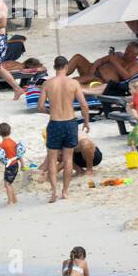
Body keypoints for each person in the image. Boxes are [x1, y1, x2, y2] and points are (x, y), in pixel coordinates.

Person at [37, 56, 92, 203]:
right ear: (67, 67)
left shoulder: (47, 84)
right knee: (68, 159)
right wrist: (86, 122)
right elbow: (84, 105)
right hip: (70, 123)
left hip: (55, 123)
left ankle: (54, 191)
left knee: (52, 159)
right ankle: (65, 191)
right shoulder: (73, 83)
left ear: (55, 67)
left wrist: (51, 112)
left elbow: (40, 106)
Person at [66, 42, 138, 85]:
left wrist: (114, 62)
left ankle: (64, 83)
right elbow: (99, 61)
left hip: (102, 81)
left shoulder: (136, 65)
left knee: (89, 78)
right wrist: (92, 71)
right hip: (93, 71)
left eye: (129, 52)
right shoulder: (118, 54)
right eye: (126, 50)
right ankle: (61, 74)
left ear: (135, 55)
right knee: (78, 57)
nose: (126, 53)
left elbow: (126, 77)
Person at [0, 122, 23, 206]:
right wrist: (23, 164)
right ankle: (15, 199)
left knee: (7, 184)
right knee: (10, 183)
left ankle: (10, 202)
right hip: (16, 165)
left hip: (10, 167)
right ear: (10, 131)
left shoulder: (2, 145)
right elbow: (19, 154)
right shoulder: (13, 142)